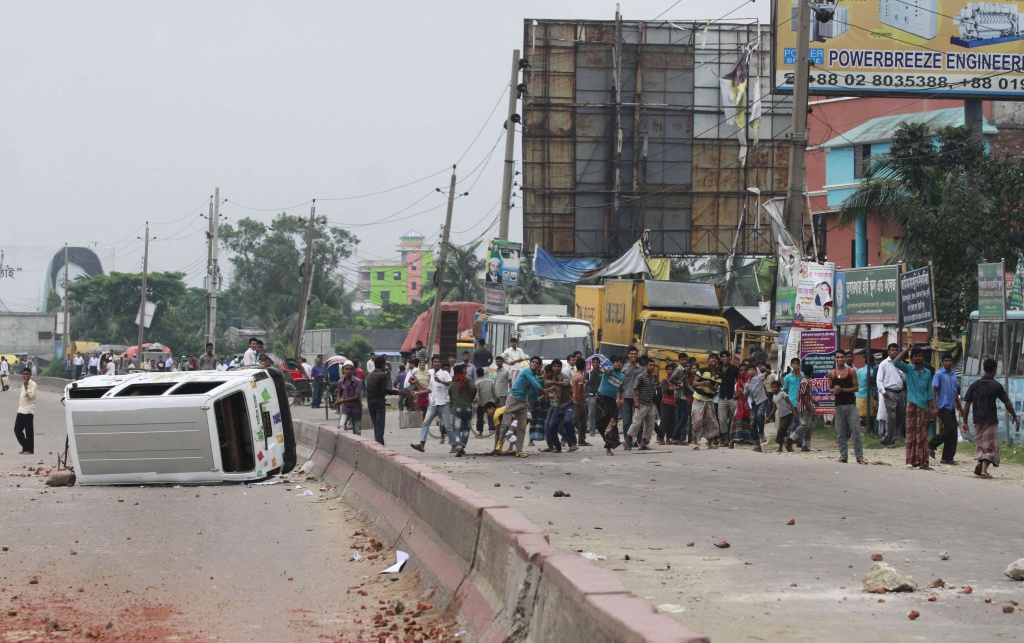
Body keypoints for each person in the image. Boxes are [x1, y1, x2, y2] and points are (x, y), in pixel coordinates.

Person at [962, 358, 1019, 478]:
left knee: (981, 442)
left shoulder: (974, 385)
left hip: (977, 418)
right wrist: (1014, 416)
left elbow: (967, 404)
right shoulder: (996, 386)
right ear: (994, 371)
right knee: (990, 445)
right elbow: (1007, 403)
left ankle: (979, 461)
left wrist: (965, 421)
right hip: (991, 418)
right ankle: (984, 470)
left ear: (984, 369)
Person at [891, 346, 936, 470]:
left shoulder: (927, 373)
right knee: (911, 433)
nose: (918, 358)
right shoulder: (909, 370)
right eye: (916, 356)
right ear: (912, 359)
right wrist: (907, 350)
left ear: (923, 357)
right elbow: (896, 361)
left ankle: (923, 462)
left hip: (923, 405)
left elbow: (929, 392)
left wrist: (931, 409)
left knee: (922, 434)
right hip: (911, 403)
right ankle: (910, 461)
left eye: (920, 355)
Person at [495, 356, 545, 458]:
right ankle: (499, 443)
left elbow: (534, 392)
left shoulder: (535, 376)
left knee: (521, 427)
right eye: (533, 362)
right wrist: (547, 393)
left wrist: (546, 392)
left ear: (539, 366)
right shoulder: (527, 371)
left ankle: (519, 450)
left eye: (536, 363)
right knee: (506, 423)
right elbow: (536, 385)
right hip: (513, 399)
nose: (534, 364)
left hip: (522, 402)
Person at [410, 357, 453, 453]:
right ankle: (422, 444)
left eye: (438, 362)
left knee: (447, 426)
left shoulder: (445, 373)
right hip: (433, 403)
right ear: (432, 363)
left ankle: (453, 445)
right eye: (435, 362)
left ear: (440, 363)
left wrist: (440, 381)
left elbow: (451, 384)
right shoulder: (429, 373)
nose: (437, 363)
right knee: (425, 422)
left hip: (444, 402)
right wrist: (418, 392)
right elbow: (429, 389)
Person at [829, 349, 864, 464]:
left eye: (841, 357)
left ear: (845, 358)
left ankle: (859, 456)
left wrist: (842, 389)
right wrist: (833, 391)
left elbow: (856, 388)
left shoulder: (851, 371)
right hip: (838, 405)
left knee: (856, 431)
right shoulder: (832, 373)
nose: (839, 359)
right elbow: (829, 388)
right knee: (840, 432)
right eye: (837, 357)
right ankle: (843, 455)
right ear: (835, 359)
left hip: (851, 404)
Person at [928, 353, 961, 465]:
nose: (948, 363)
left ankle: (947, 457)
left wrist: (959, 406)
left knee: (953, 432)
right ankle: (932, 444)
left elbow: (955, 391)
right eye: (946, 361)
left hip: (951, 406)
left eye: (950, 360)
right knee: (950, 427)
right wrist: (935, 406)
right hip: (942, 406)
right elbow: (934, 390)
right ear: (942, 362)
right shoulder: (939, 374)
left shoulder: (953, 375)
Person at [540, 359, 577, 453]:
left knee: (568, 421)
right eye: (554, 366)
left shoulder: (564, 376)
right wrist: (544, 395)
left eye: (558, 366)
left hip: (568, 404)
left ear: (561, 367)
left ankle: (573, 443)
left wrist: (553, 383)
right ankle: (557, 447)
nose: (556, 368)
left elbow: (565, 384)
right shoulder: (551, 378)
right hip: (558, 406)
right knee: (552, 426)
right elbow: (552, 390)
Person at [625, 356, 659, 450]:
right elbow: (634, 388)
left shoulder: (653, 378)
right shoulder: (641, 376)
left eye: (653, 365)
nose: (652, 367)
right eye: (650, 365)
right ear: (646, 366)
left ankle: (643, 443)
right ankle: (627, 442)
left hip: (650, 404)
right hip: (641, 404)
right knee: (636, 424)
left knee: (650, 425)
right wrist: (636, 401)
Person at [876, 343, 906, 445]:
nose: (895, 352)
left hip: (899, 392)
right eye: (892, 350)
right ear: (889, 352)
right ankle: (891, 441)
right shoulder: (884, 364)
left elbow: (905, 378)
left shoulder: (900, 363)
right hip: (890, 392)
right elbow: (879, 379)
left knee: (901, 415)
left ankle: (888, 435)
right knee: (891, 417)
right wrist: (883, 392)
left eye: (896, 350)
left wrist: (899, 369)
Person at [364, 356, 396, 446]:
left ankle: (379, 444)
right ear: (382, 365)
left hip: (370, 402)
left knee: (375, 425)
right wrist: (397, 392)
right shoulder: (382, 375)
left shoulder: (369, 375)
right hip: (379, 402)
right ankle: (379, 446)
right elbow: (384, 390)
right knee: (380, 426)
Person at [691, 361, 722, 449]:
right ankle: (694, 441)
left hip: (709, 400)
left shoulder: (718, 375)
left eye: (716, 359)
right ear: (709, 360)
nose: (714, 360)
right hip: (698, 398)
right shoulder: (702, 370)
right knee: (697, 420)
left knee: (710, 421)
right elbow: (693, 384)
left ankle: (710, 442)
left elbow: (715, 389)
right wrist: (702, 383)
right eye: (712, 358)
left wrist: (709, 385)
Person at [447, 364, 476, 456]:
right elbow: (474, 388)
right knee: (467, 428)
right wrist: (471, 398)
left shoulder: (452, 383)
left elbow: (450, 396)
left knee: (456, 429)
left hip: (457, 409)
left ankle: (458, 446)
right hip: (467, 408)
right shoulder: (467, 380)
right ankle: (463, 446)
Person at [619, 347, 643, 447]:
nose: (633, 356)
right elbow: (619, 384)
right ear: (628, 355)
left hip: (638, 398)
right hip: (626, 397)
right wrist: (619, 398)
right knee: (627, 421)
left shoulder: (641, 369)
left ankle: (640, 441)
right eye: (631, 354)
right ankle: (627, 442)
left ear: (637, 355)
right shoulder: (623, 368)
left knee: (639, 421)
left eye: (635, 354)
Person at [744, 363, 768, 451]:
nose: (752, 371)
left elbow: (767, 373)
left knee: (760, 415)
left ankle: (761, 433)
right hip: (754, 404)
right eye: (750, 370)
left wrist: (765, 369)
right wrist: (741, 394)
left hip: (762, 401)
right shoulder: (747, 385)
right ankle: (757, 445)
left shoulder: (759, 377)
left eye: (753, 370)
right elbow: (745, 395)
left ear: (756, 371)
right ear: (747, 372)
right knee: (752, 425)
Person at [717, 351, 739, 445]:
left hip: (732, 397)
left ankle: (735, 438)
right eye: (723, 357)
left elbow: (739, 380)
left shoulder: (734, 368)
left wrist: (738, 392)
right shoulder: (718, 369)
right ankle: (726, 439)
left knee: (737, 417)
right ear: (721, 358)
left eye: (726, 356)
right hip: (722, 397)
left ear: (730, 358)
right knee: (722, 419)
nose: (725, 358)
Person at [335, 361, 363, 435]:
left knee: (357, 430)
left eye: (350, 369)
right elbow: (340, 392)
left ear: (353, 370)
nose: (348, 371)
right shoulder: (341, 382)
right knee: (341, 425)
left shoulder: (358, 382)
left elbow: (357, 396)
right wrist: (338, 399)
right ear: (343, 370)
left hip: (356, 408)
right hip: (346, 408)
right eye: (346, 369)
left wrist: (342, 401)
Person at [768, 380, 796, 453]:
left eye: (775, 387)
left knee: (781, 430)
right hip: (781, 416)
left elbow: (790, 403)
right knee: (783, 431)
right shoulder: (773, 397)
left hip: (788, 415)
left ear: (779, 387)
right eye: (772, 387)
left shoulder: (782, 394)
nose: (774, 389)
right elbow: (774, 408)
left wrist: (794, 413)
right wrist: (769, 417)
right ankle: (785, 446)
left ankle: (785, 442)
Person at [14, 367, 36, 455]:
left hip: (28, 410)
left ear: (30, 375)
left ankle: (30, 449)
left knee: (28, 431)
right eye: (24, 374)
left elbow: (31, 396)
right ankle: (25, 446)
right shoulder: (23, 383)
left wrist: (27, 387)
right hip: (21, 409)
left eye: (27, 374)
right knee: (17, 430)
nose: (25, 376)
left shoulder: (33, 384)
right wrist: (25, 385)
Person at [794, 363, 815, 452]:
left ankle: (805, 445)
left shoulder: (809, 381)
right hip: (804, 407)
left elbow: (808, 394)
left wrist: (814, 402)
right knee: (805, 426)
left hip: (808, 406)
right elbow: (802, 395)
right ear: (811, 372)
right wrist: (809, 406)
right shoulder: (804, 382)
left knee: (809, 427)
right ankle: (791, 438)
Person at [856, 355, 878, 433]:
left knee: (860, 416)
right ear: (872, 361)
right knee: (871, 416)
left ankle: (861, 431)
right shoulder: (872, 371)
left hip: (859, 396)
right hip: (869, 396)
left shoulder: (858, 371)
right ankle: (870, 432)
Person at [572, 358, 591, 446]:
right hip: (579, 402)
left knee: (583, 422)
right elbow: (579, 391)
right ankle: (566, 439)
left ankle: (581, 440)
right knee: (575, 422)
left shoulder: (575, 375)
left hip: (576, 401)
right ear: (584, 366)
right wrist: (580, 401)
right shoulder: (581, 377)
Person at [474, 367, 497, 437]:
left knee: (480, 417)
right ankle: (492, 429)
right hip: (490, 402)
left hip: (481, 403)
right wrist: (497, 400)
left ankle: (480, 433)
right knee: (491, 416)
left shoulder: (477, 383)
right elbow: (495, 393)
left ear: (477, 374)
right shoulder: (490, 381)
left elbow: (477, 394)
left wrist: (475, 401)